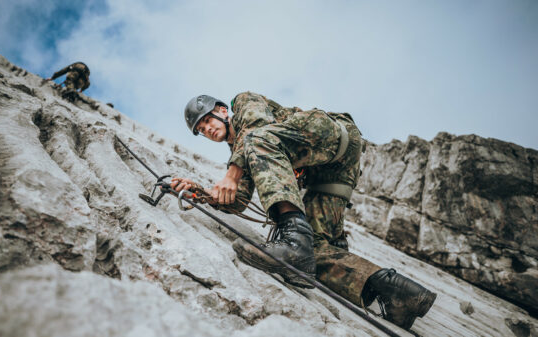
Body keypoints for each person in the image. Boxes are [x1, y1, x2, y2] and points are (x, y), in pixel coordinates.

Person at [172, 93, 437, 330]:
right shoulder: (244, 152)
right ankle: (399, 295)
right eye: (202, 130)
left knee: (256, 141)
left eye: (208, 120)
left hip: (327, 133)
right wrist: (201, 194)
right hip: (328, 172)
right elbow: (239, 199)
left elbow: (255, 129)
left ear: (221, 110)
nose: (207, 129)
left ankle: (293, 239)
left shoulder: (243, 105)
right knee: (311, 252)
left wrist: (232, 173)